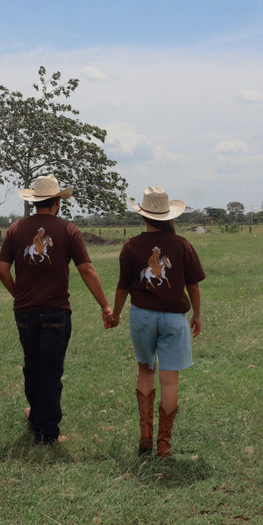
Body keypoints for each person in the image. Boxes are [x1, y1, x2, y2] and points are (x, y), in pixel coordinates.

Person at [0, 174, 113, 445]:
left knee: (32, 365)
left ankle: (36, 415)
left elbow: (2, 269)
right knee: (51, 371)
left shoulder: (15, 229)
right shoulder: (68, 231)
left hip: (24, 312)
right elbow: (86, 268)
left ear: (36, 202)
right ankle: (47, 434)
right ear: (57, 202)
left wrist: (19, 294)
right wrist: (105, 306)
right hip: (56, 312)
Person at [110, 186, 205, 458]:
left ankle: (145, 436)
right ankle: (164, 445)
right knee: (170, 382)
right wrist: (197, 315)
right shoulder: (183, 244)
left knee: (145, 372)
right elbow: (194, 287)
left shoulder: (131, 246)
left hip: (141, 316)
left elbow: (122, 287)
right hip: (174, 319)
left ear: (143, 216)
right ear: (168, 215)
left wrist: (115, 315)